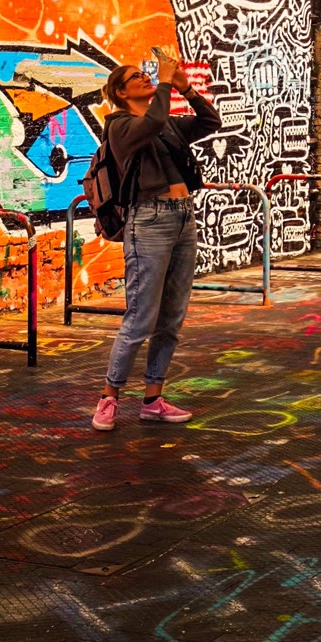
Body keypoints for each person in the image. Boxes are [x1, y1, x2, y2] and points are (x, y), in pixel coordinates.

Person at [92, 51, 221, 431]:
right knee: (140, 317)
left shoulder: (165, 125)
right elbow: (151, 123)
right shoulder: (120, 127)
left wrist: (186, 88)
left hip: (183, 218)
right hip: (149, 221)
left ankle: (152, 399)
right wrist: (165, 83)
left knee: (171, 318)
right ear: (121, 92)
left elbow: (210, 122)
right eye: (136, 77)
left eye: (146, 75)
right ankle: (109, 398)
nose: (145, 78)